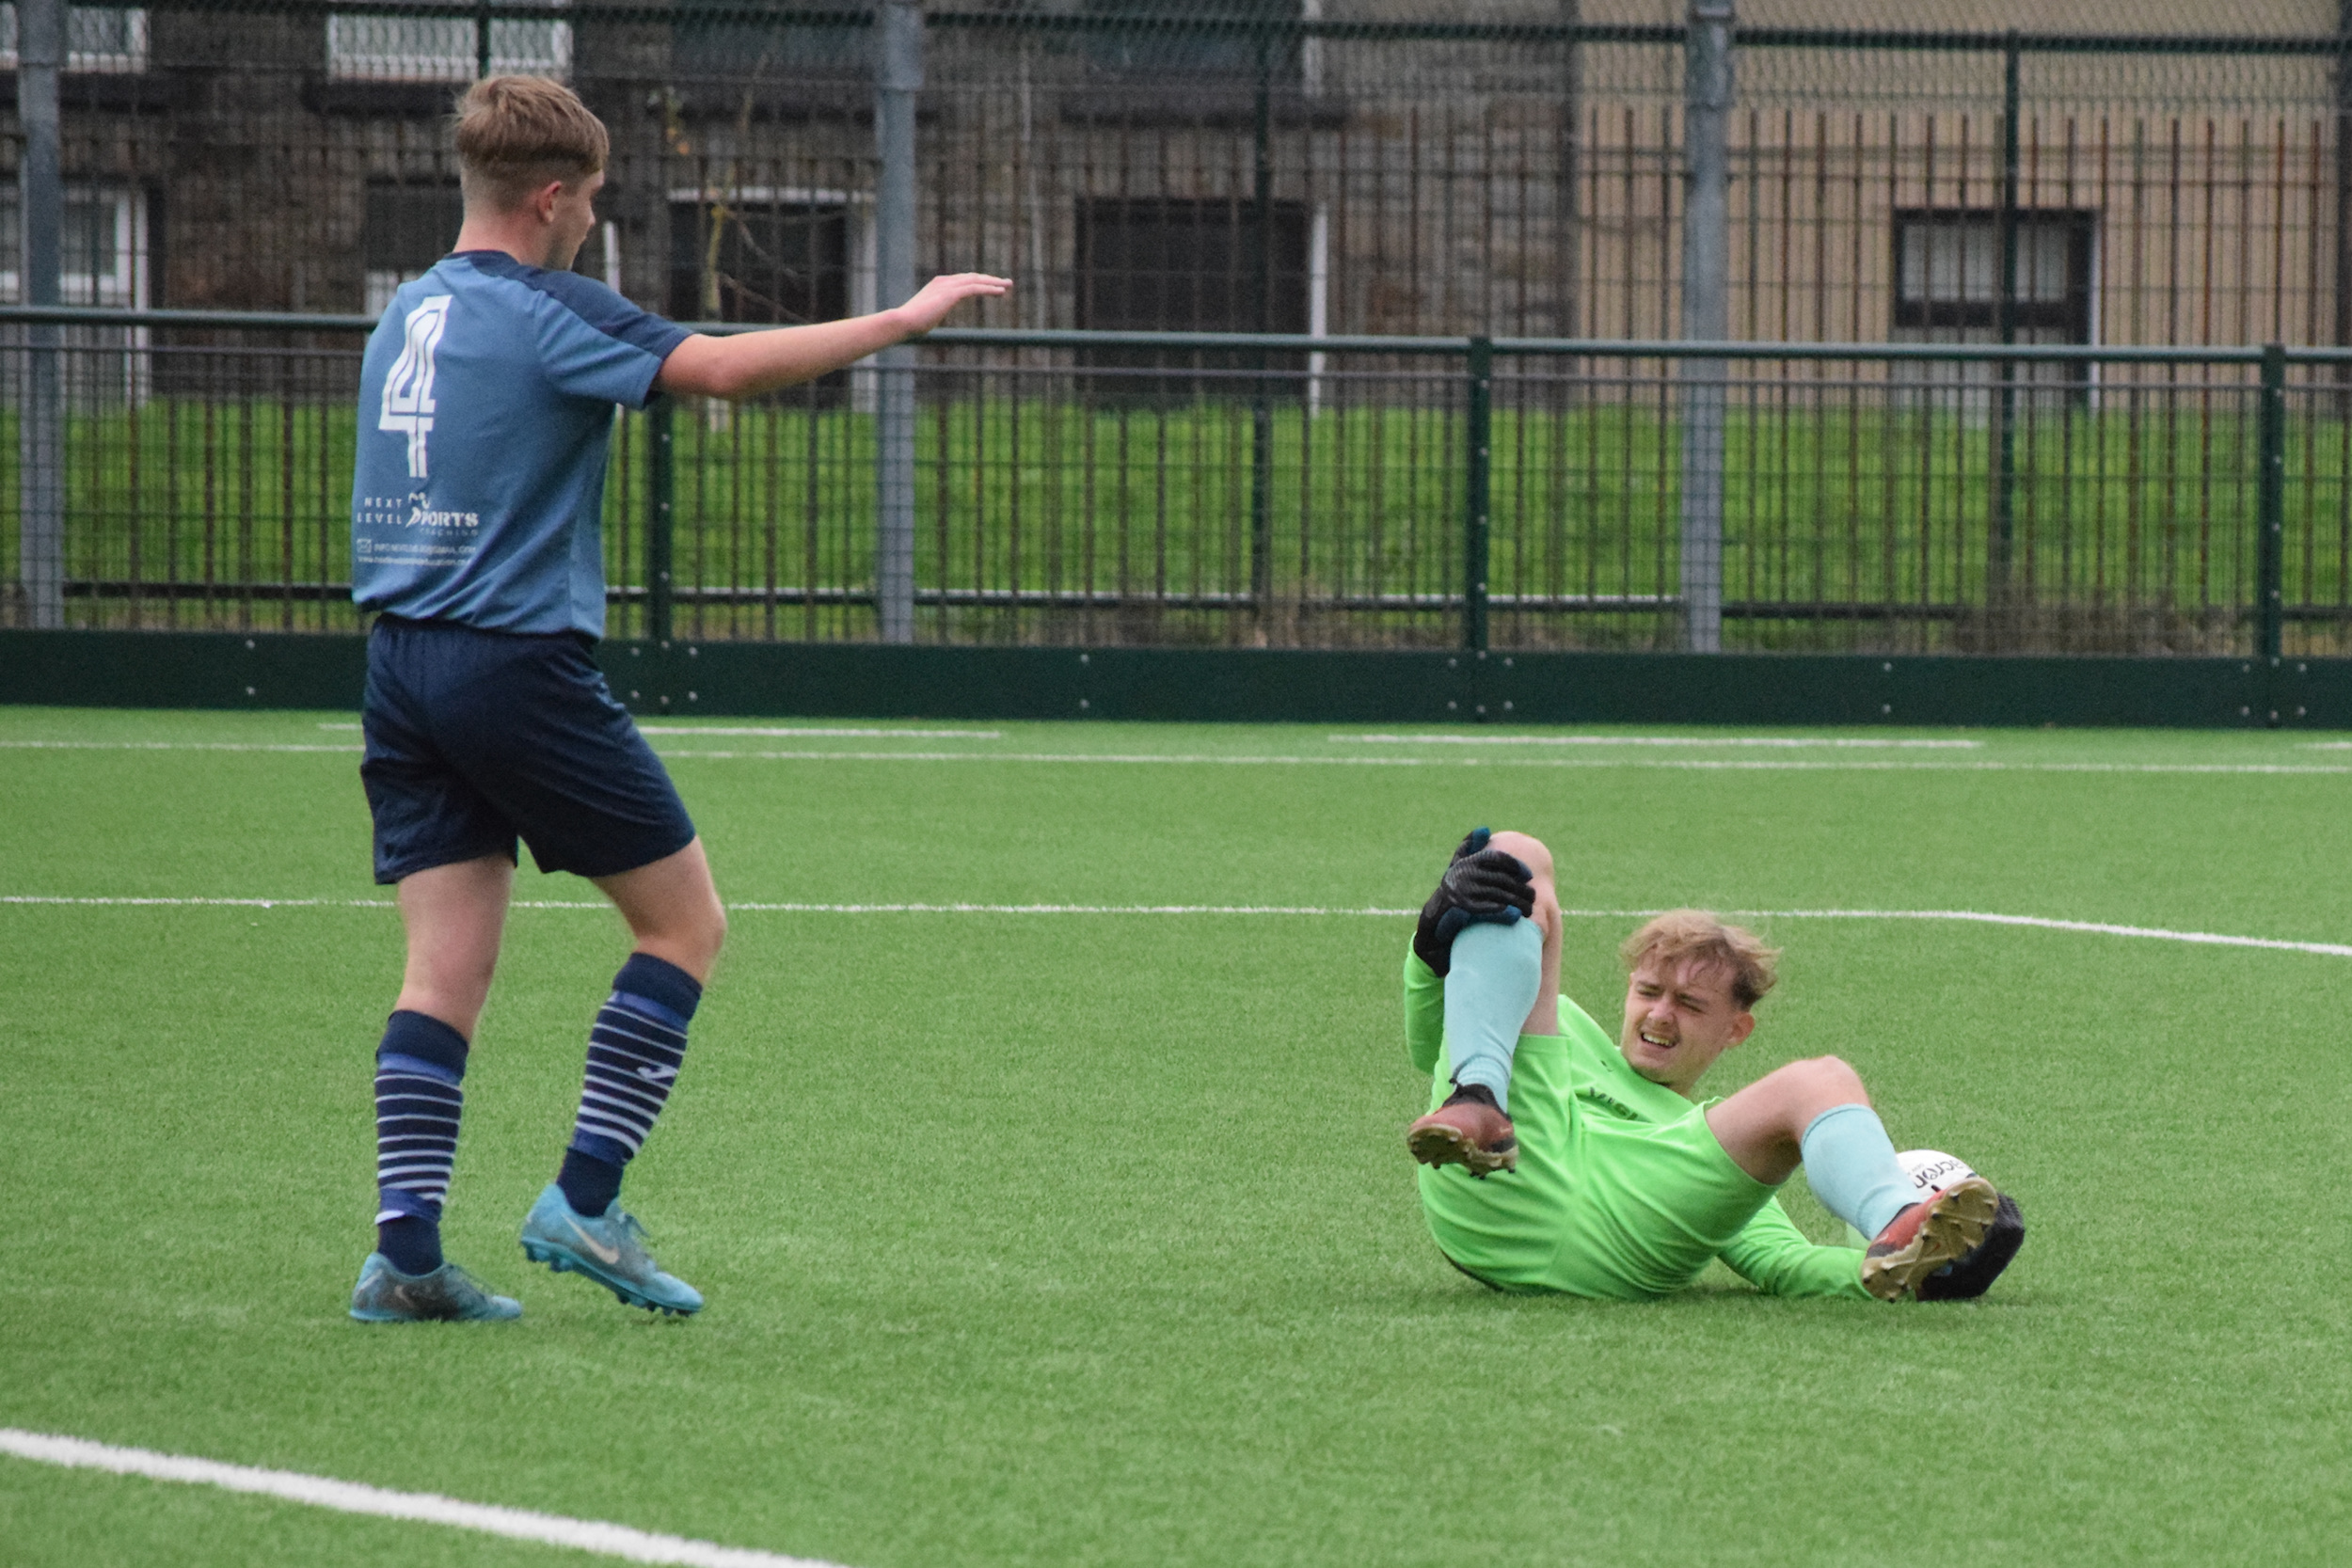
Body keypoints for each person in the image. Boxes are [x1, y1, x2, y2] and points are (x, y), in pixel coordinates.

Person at [346, 75, 1009, 1323]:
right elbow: (719, 370)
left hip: (399, 662)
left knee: (440, 974)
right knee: (682, 925)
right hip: (511, 661)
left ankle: (406, 1255)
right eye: (591, 201)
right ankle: (584, 1203)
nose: (593, 221)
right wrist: (900, 320)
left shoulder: (407, 311)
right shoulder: (544, 305)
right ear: (550, 199)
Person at [1402, 829, 2024, 1303]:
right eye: (1649, 991)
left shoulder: (1701, 1141)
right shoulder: (1557, 1025)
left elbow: (1785, 1263)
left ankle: (1899, 1224)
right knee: (1516, 853)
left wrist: (1933, 1274)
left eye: (1690, 1003)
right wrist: (1431, 948)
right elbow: (1431, 1039)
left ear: (1736, 1029)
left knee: (1821, 1077)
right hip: (1503, 1170)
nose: (1661, 1015)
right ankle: (1478, 1092)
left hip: (1620, 1242)